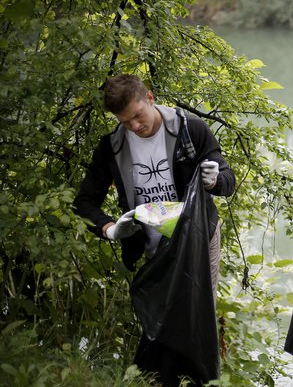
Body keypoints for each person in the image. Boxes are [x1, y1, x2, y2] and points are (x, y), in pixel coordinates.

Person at [73, 74, 235, 384]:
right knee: (160, 316)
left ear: (149, 97)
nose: (134, 126)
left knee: (193, 314)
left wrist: (215, 180)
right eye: (125, 121)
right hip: (152, 244)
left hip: (197, 238)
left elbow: (227, 181)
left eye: (137, 116)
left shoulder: (190, 128)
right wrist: (109, 228)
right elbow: (84, 202)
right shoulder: (112, 146)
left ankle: (195, 380)